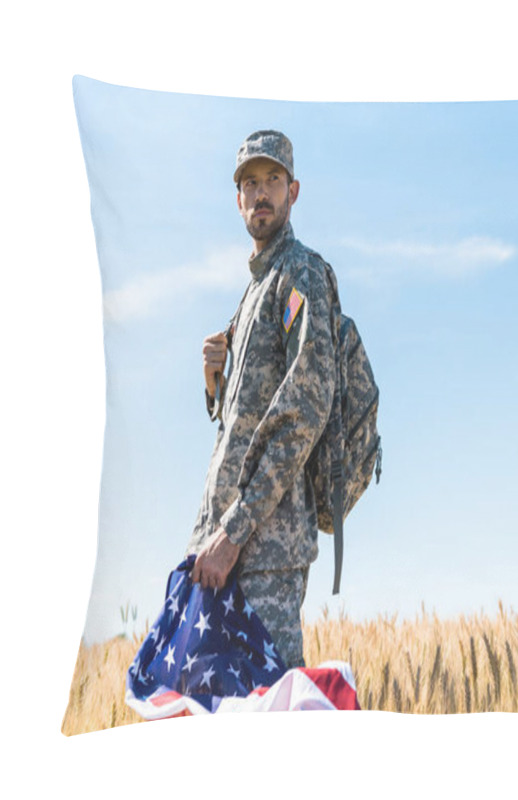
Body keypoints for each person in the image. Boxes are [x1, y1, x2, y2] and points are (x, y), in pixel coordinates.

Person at [184, 130, 339, 669]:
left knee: (269, 723)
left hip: (263, 554)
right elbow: (243, 429)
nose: (261, 193)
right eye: (250, 183)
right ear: (238, 200)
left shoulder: (298, 274)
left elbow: (304, 414)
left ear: (293, 191)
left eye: (272, 179)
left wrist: (235, 531)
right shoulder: (253, 289)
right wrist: (215, 386)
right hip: (220, 551)